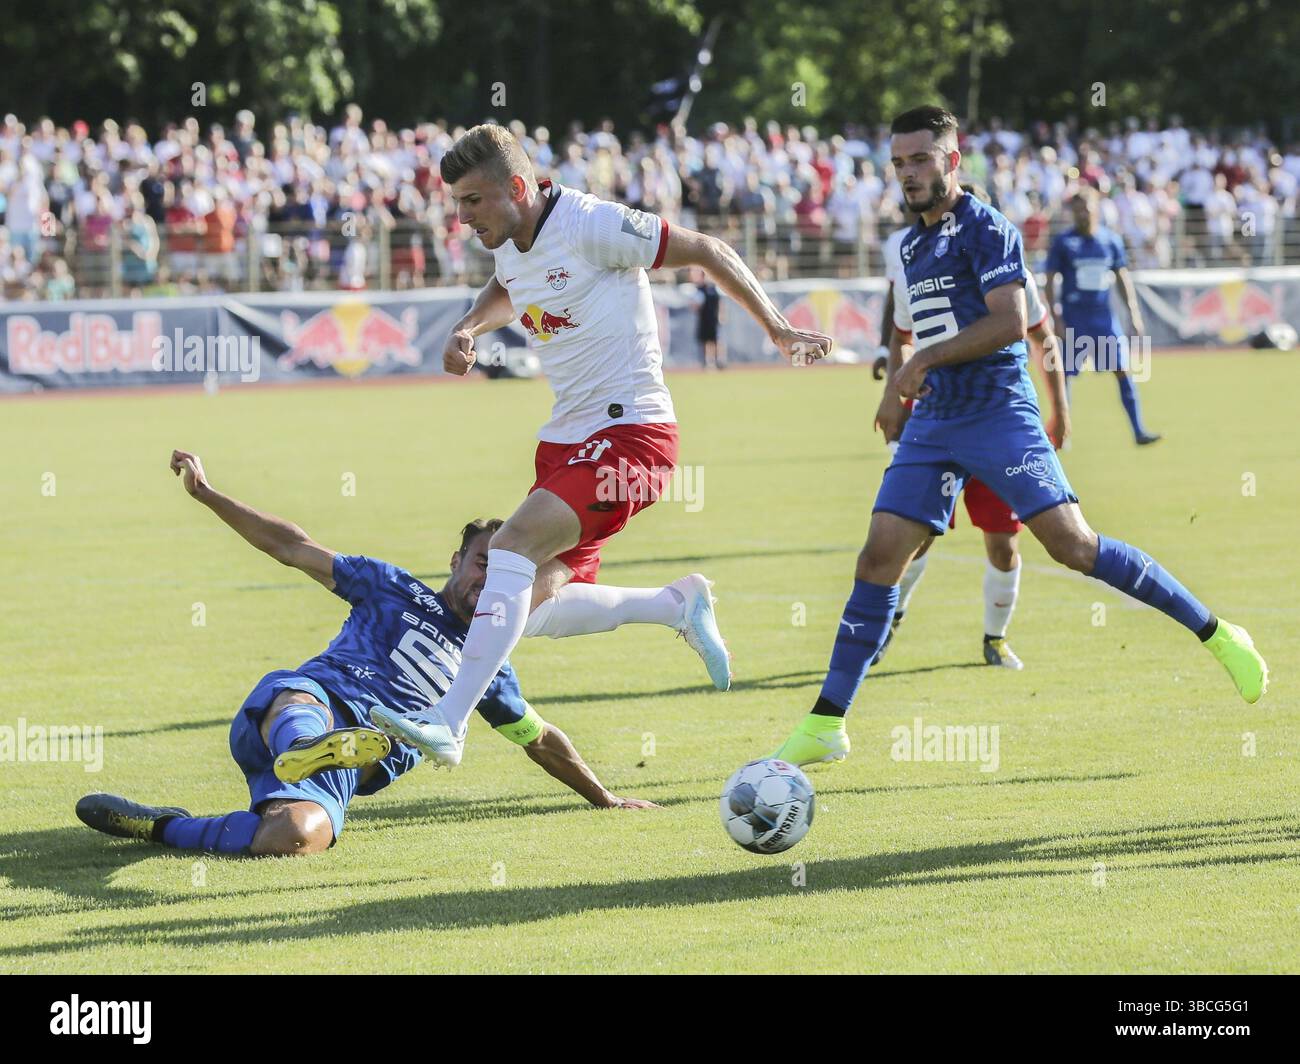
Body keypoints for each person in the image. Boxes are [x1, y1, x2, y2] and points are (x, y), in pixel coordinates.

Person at [773, 106, 1267, 768]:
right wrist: (900, 391)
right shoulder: (912, 245)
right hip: (935, 421)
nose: (907, 174)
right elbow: (919, 332)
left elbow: (1011, 323)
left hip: (1000, 415)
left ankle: (1216, 633)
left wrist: (919, 363)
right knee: (878, 556)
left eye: (920, 160)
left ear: (952, 160)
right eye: (898, 163)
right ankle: (827, 722)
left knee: (1073, 546)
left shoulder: (988, 229)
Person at [372, 124, 832, 767]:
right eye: (457, 204)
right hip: (566, 441)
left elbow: (706, 249)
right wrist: (469, 325)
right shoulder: (510, 241)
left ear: (517, 186)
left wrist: (779, 330)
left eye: (472, 201)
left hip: (633, 439)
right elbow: (510, 284)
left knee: (505, 550)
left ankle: (447, 722)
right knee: (523, 606)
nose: (462, 217)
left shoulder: (590, 224)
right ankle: (675, 604)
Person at [74, 448, 725, 857]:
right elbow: (293, 546)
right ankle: (305, 744)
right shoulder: (390, 586)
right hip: (311, 706)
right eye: (480, 563)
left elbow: (538, 738)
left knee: (295, 837)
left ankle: (162, 828)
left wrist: (605, 798)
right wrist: (210, 495)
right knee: (302, 698)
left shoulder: (486, 664)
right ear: (456, 560)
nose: (485, 580)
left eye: (503, 573)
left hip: (337, 774)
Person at [875, 184, 1070, 669]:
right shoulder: (915, 265)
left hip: (997, 420)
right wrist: (891, 395)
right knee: (913, 535)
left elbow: (1043, 339)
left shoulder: (1010, 271)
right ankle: (888, 619)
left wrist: (1060, 410)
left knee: (1004, 544)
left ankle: (995, 638)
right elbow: (901, 337)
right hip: (937, 419)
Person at [1044, 188, 1160, 445]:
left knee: (1123, 371)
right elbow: (1051, 280)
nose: (1082, 213)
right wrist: (1056, 317)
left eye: (1086, 207)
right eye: (1077, 208)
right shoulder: (1064, 243)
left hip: (1104, 320)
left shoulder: (1110, 240)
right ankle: (1062, 433)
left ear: (1097, 208)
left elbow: (1122, 278)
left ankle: (1139, 430)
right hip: (1075, 319)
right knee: (1065, 376)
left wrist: (1133, 314)